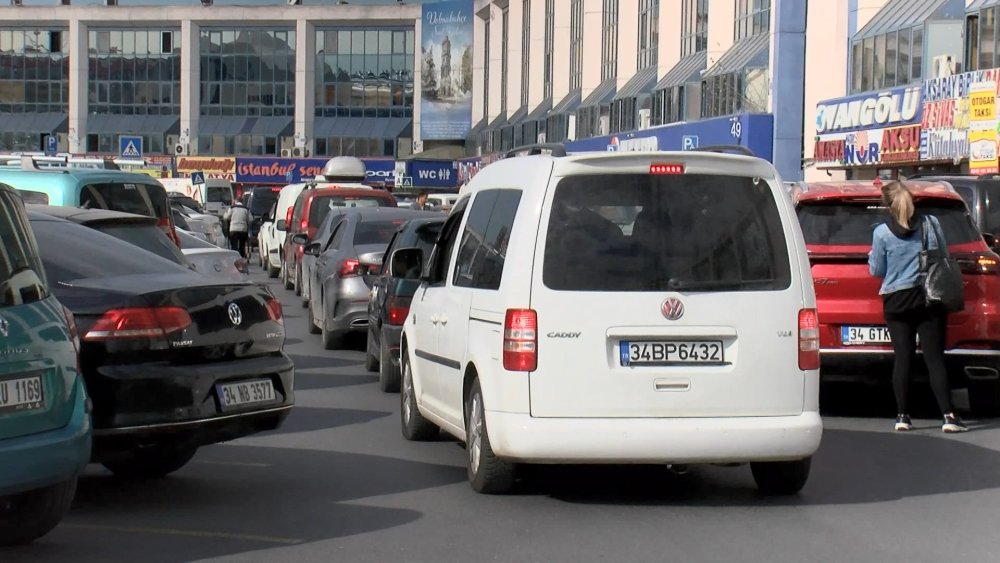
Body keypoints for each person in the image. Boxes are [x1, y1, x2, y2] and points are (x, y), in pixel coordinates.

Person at [869, 180, 967, 433]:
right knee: (935, 359)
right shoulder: (931, 223)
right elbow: (942, 255)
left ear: (887, 205)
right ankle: (949, 417)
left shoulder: (881, 232)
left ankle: (903, 416)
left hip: (897, 300)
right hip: (929, 298)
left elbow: (877, 270)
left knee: (903, 359)